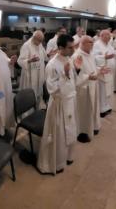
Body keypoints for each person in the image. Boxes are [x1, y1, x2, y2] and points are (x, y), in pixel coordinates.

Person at [38, 34, 78, 175]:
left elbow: (72, 80)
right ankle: (56, 162)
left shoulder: (68, 58)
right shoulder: (52, 65)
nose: (73, 50)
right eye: (70, 47)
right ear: (60, 48)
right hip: (59, 104)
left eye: (73, 46)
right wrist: (64, 75)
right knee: (59, 135)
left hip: (69, 101)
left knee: (70, 130)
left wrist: (73, 72)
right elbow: (52, 90)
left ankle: (67, 156)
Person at [72, 36, 106, 143]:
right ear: (83, 43)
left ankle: (92, 127)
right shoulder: (78, 56)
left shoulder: (90, 54)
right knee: (83, 112)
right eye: (90, 43)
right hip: (83, 89)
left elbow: (92, 67)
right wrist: (88, 77)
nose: (92, 44)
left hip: (92, 85)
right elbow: (76, 76)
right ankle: (82, 132)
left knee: (93, 108)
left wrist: (100, 70)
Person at [18, 31, 47, 109]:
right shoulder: (26, 46)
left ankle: (38, 107)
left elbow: (45, 56)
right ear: (34, 38)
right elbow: (20, 61)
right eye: (39, 40)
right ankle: (28, 110)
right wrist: (30, 60)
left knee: (39, 91)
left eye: (41, 41)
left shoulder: (39, 44)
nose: (40, 43)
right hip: (30, 74)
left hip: (39, 72)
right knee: (31, 92)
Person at [92, 30, 116, 116]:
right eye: (107, 35)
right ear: (101, 35)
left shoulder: (109, 45)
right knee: (102, 90)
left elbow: (112, 53)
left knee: (109, 89)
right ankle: (101, 109)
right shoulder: (96, 45)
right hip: (102, 71)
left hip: (109, 72)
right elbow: (94, 57)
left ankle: (107, 106)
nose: (109, 37)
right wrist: (104, 57)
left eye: (109, 35)